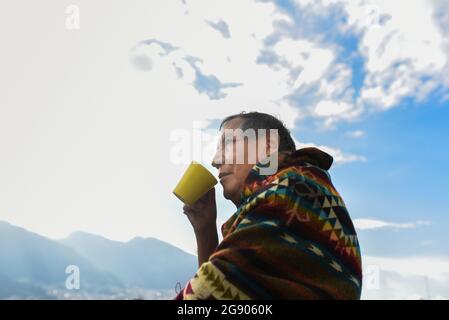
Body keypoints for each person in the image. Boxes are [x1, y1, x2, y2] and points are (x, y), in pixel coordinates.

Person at [174, 111, 362, 299]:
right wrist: (205, 230)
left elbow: (216, 293)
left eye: (229, 144)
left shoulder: (296, 189)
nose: (215, 160)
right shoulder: (298, 190)